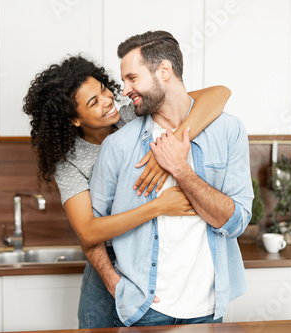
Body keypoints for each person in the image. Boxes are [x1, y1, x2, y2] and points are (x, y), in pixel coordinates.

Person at [22, 55, 231, 328]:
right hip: (109, 265)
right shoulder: (69, 161)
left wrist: (172, 145)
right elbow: (88, 231)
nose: (108, 101)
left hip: (149, 260)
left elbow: (219, 94)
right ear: (74, 119)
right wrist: (157, 207)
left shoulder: (134, 114)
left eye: (103, 90)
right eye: (93, 103)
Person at [89, 31, 254, 327]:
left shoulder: (228, 131)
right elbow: (91, 231)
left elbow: (236, 222)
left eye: (132, 78)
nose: (124, 90)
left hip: (208, 307)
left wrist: (180, 169)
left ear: (164, 70)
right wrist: (114, 283)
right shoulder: (118, 145)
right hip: (143, 309)